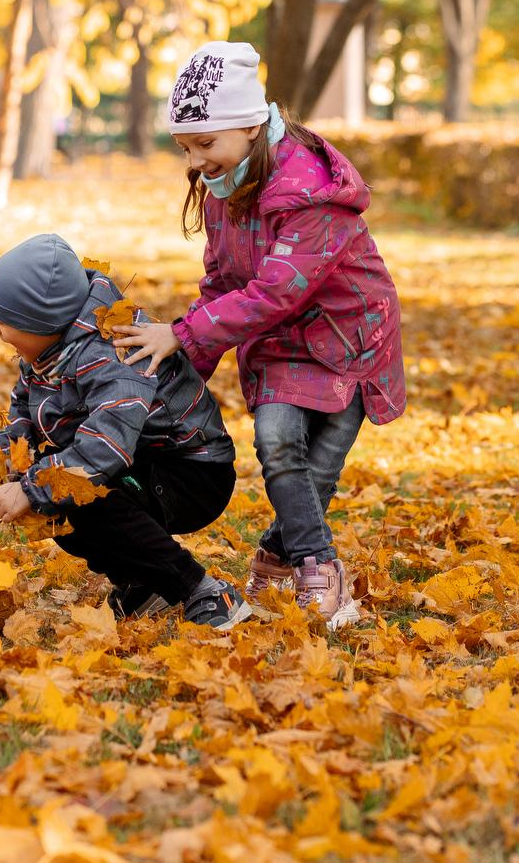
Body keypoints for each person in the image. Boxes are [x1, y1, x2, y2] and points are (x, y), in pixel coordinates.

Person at [113, 42, 405, 629]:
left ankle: (277, 554)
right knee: (277, 442)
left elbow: (275, 290)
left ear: (250, 125)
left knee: (317, 467)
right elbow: (224, 281)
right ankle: (319, 568)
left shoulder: (308, 191)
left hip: (345, 341)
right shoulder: (226, 185)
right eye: (185, 148)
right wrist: (182, 362)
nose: (195, 162)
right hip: (275, 339)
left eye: (205, 143)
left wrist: (182, 332)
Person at [0, 233, 248, 629]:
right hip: (140, 459)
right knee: (56, 501)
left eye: (4, 321)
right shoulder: (52, 347)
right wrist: (10, 460)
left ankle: (202, 590)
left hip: (191, 472)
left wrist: (32, 488)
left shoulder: (115, 351)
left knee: (77, 493)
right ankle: (147, 583)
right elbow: (24, 403)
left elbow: (107, 446)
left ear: (43, 322)